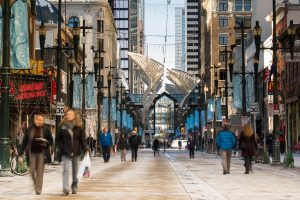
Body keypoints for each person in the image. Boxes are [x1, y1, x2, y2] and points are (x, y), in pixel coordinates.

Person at [19, 114, 53, 195]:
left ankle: (38, 189)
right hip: (31, 153)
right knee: (31, 171)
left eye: (41, 120)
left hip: (42, 153)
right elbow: (24, 142)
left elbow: (51, 141)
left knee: (40, 172)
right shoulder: (29, 129)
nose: (40, 121)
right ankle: (36, 184)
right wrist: (20, 154)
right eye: (38, 120)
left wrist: (46, 143)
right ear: (35, 120)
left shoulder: (46, 130)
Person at [56, 109, 88, 195]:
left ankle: (74, 186)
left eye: (70, 114)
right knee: (65, 169)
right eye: (67, 114)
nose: (68, 115)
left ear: (74, 115)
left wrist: (85, 149)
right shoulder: (62, 126)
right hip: (65, 151)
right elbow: (58, 139)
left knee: (75, 171)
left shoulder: (79, 126)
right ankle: (65, 189)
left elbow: (82, 139)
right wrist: (61, 146)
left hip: (76, 151)